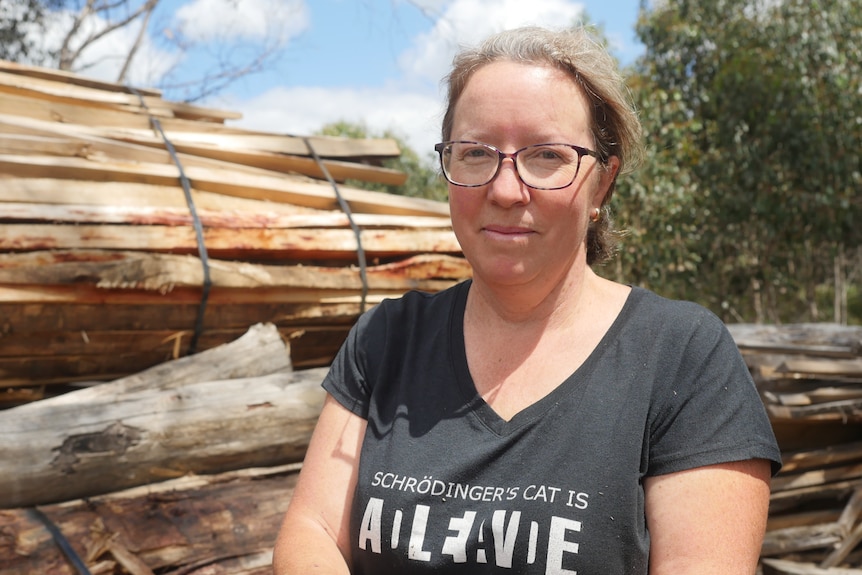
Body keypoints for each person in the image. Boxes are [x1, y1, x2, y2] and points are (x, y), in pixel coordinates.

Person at [272, 25, 781, 575]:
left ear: (602, 184)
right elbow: (313, 529)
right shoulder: (387, 338)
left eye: (546, 156)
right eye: (474, 153)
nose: (507, 190)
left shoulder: (681, 356)